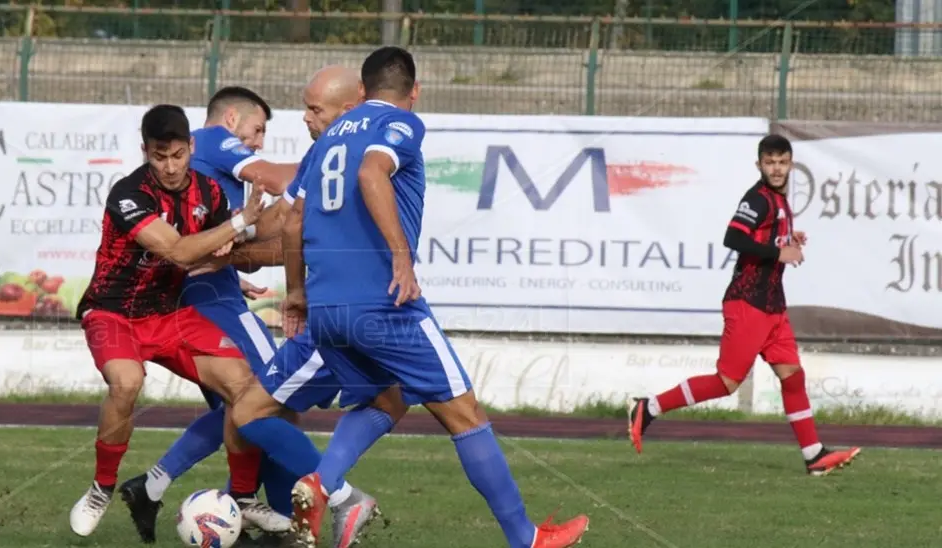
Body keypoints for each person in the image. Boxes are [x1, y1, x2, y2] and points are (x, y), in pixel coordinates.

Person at [283, 46, 590, 548]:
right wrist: (401, 257)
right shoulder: (402, 124)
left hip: (327, 309)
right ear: (414, 92)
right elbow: (370, 172)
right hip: (382, 302)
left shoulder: (324, 141)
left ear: (360, 92)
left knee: (388, 395)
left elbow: (293, 218)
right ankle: (526, 538)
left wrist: (295, 293)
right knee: (465, 413)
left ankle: (321, 483)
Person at [118, 70, 402, 548]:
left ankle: (180, 494)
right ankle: (328, 497)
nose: (258, 142)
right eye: (256, 131)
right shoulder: (210, 139)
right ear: (232, 119)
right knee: (264, 400)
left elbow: (265, 228)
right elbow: (274, 179)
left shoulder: (205, 179)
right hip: (208, 298)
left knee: (250, 409)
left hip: (215, 291)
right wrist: (336, 158)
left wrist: (240, 253)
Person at [68, 104, 296, 538]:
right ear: (145, 152)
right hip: (113, 311)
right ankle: (102, 487)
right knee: (127, 382)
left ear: (191, 147)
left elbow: (220, 250)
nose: (170, 167)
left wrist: (261, 234)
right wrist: (241, 221)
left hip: (168, 315)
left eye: (177, 155)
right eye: (159, 157)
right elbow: (177, 250)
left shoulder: (208, 192)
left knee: (245, 387)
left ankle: (244, 498)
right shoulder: (128, 194)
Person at [627, 135, 862, 476]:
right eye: (770, 162)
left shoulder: (780, 201)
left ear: (791, 164)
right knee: (726, 382)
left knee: (793, 377)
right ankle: (648, 408)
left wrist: (788, 240)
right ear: (760, 166)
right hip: (748, 304)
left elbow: (763, 240)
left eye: (782, 162)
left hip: (773, 309)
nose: (776, 168)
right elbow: (733, 238)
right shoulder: (759, 199)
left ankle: (814, 456)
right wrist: (780, 251)